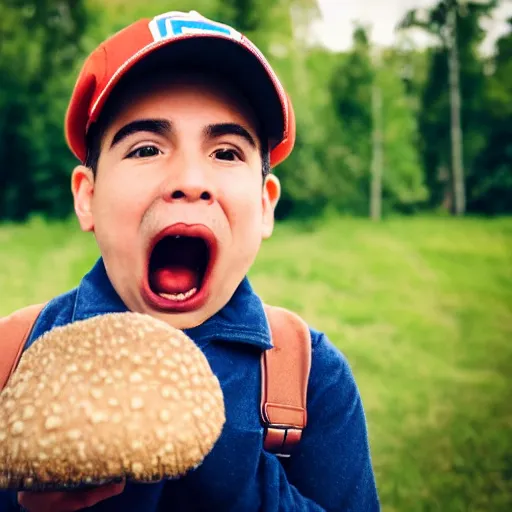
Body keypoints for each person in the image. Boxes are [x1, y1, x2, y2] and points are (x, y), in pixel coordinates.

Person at [0, 9, 380, 512]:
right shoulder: (11, 360)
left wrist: (229, 464)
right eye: (145, 148)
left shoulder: (310, 379)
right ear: (87, 196)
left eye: (225, 153)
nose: (190, 178)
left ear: (265, 204)